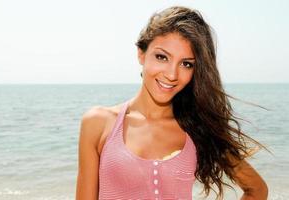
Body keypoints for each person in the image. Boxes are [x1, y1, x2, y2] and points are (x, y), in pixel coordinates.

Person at [76, 6, 268, 200]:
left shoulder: (198, 128)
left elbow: (257, 190)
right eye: (162, 57)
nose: (171, 74)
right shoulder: (99, 123)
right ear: (141, 54)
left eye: (186, 64)